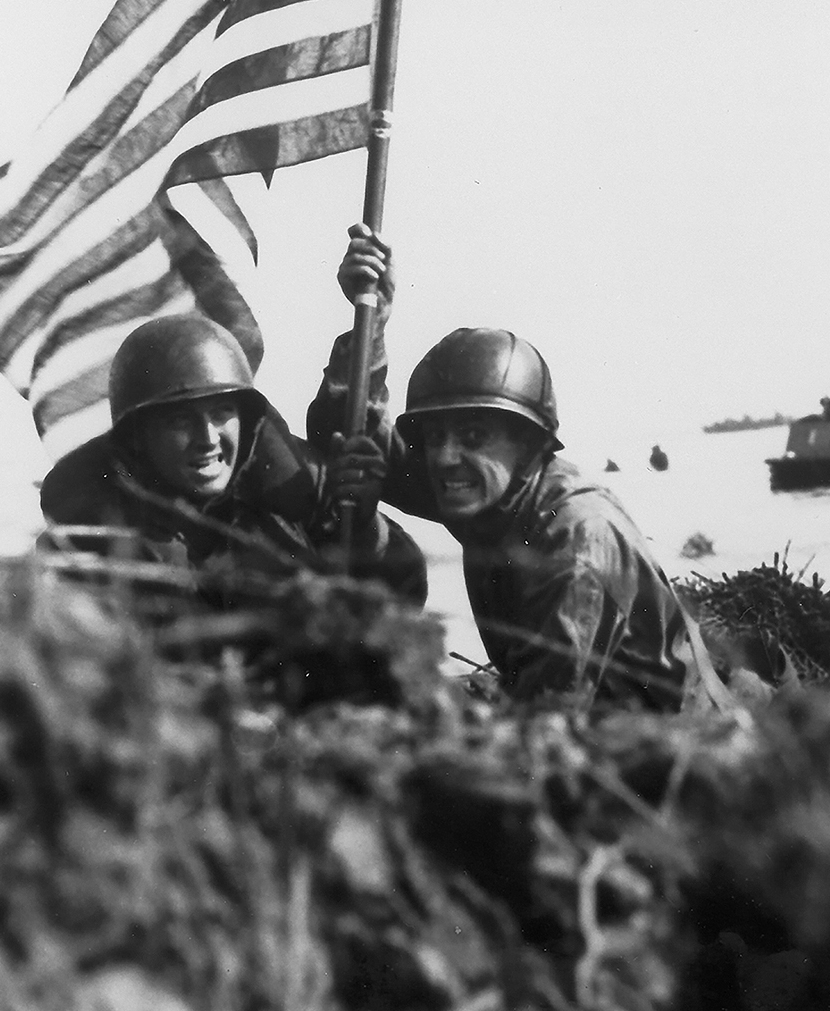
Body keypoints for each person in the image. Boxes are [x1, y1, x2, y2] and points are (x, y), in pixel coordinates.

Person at [311, 225, 698, 710]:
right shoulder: (487, 492)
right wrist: (370, 322)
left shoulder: (577, 538)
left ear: (528, 446)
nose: (447, 457)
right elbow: (342, 438)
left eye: (474, 437)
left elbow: (547, 720)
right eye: (434, 438)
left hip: (675, 749)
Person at [41, 310, 428, 605]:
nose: (208, 438)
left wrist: (362, 529)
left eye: (222, 413)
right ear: (139, 438)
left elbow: (402, 599)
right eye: (180, 420)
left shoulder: (292, 509)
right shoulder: (87, 544)